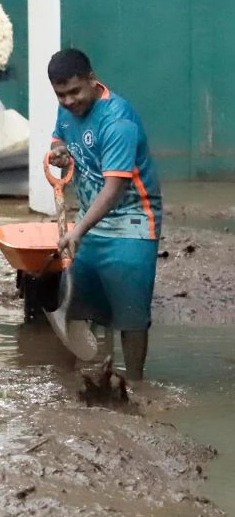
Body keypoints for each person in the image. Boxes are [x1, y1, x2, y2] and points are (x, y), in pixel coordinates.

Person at [47, 48, 162, 383]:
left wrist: (78, 229)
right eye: (60, 94)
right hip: (91, 218)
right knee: (87, 305)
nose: (68, 101)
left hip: (133, 223)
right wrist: (60, 155)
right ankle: (102, 374)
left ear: (92, 79)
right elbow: (60, 140)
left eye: (74, 92)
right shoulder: (66, 110)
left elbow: (113, 189)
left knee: (130, 312)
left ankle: (136, 384)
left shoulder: (118, 121)